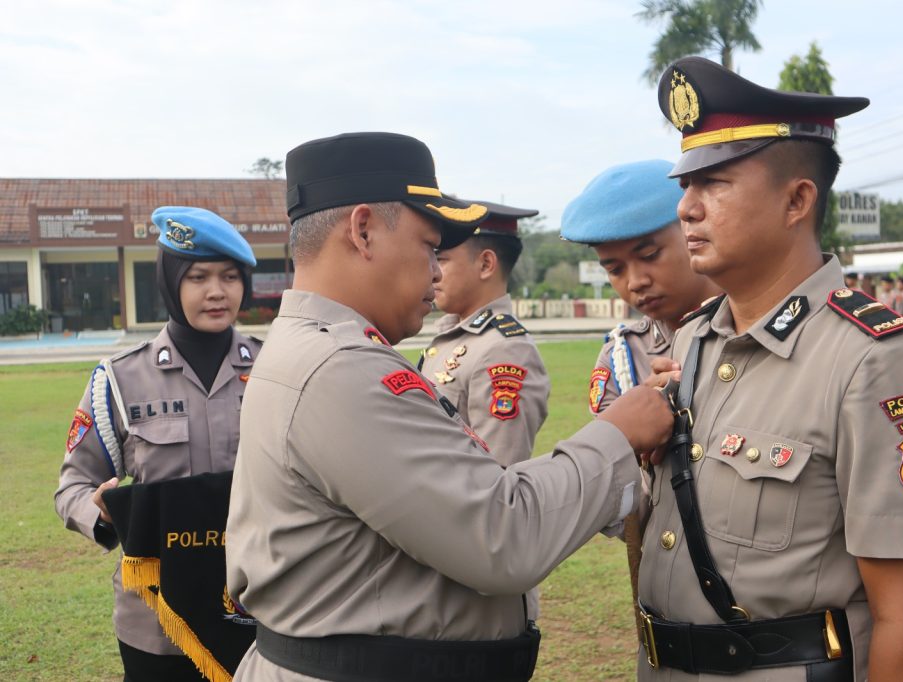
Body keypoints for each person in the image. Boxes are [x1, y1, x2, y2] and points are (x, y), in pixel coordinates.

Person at [224, 131, 674, 682]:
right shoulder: (340, 366)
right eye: (427, 247)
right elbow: (502, 536)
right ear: (363, 231)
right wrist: (618, 434)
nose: (436, 272)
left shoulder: (310, 347)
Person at [636, 56, 903, 681]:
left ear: (796, 200)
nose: (687, 209)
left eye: (716, 183)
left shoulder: (875, 362)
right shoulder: (691, 343)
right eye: (685, 185)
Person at [55, 206, 261, 681]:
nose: (217, 291)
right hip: (158, 626)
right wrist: (101, 511)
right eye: (198, 277)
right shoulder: (120, 380)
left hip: (259, 612)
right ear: (170, 283)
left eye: (230, 276)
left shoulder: (276, 369)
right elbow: (71, 488)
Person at [559, 159, 720, 415]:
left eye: (650, 255)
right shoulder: (623, 358)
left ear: (692, 230)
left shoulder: (750, 327)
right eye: (614, 270)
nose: (635, 282)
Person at [419, 201, 549, 467]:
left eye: (441, 259)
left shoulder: (504, 349)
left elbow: (497, 473)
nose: (432, 273)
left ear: (486, 264)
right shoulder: (453, 336)